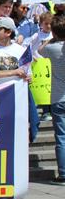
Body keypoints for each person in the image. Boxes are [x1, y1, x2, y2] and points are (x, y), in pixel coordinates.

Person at [0, 16, 40, 142]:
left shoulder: (21, 50)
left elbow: (28, 76)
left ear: (8, 32)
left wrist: (28, 77)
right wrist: (13, 72)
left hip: (18, 102)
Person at [39, 14, 65, 185]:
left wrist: (51, 38)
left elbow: (40, 49)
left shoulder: (52, 48)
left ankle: (63, 173)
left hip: (58, 98)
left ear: (54, 32)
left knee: (61, 137)